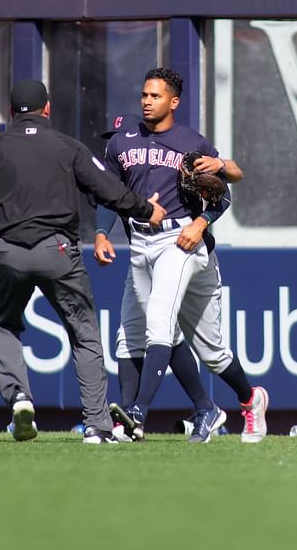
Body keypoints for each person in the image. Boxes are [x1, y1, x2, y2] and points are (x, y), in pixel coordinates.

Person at [0, 79, 166, 444]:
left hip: (7, 252)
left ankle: (18, 397)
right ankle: (96, 425)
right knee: (83, 333)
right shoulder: (68, 146)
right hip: (58, 251)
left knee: (2, 327)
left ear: (13, 111)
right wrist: (147, 209)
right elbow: (109, 189)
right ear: (47, 109)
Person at [100, 68, 269, 443]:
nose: (146, 101)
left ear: (173, 102)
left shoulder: (191, 142)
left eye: (155, 96)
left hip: (182, 241)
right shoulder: (122, 141)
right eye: (144, 94)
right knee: (140, 336)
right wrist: (100, 233)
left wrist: (202, 220)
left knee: (163, 324)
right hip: (140, 244)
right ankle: (237, 400)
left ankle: (138, 412)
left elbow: (223, 191)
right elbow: (110, 194)